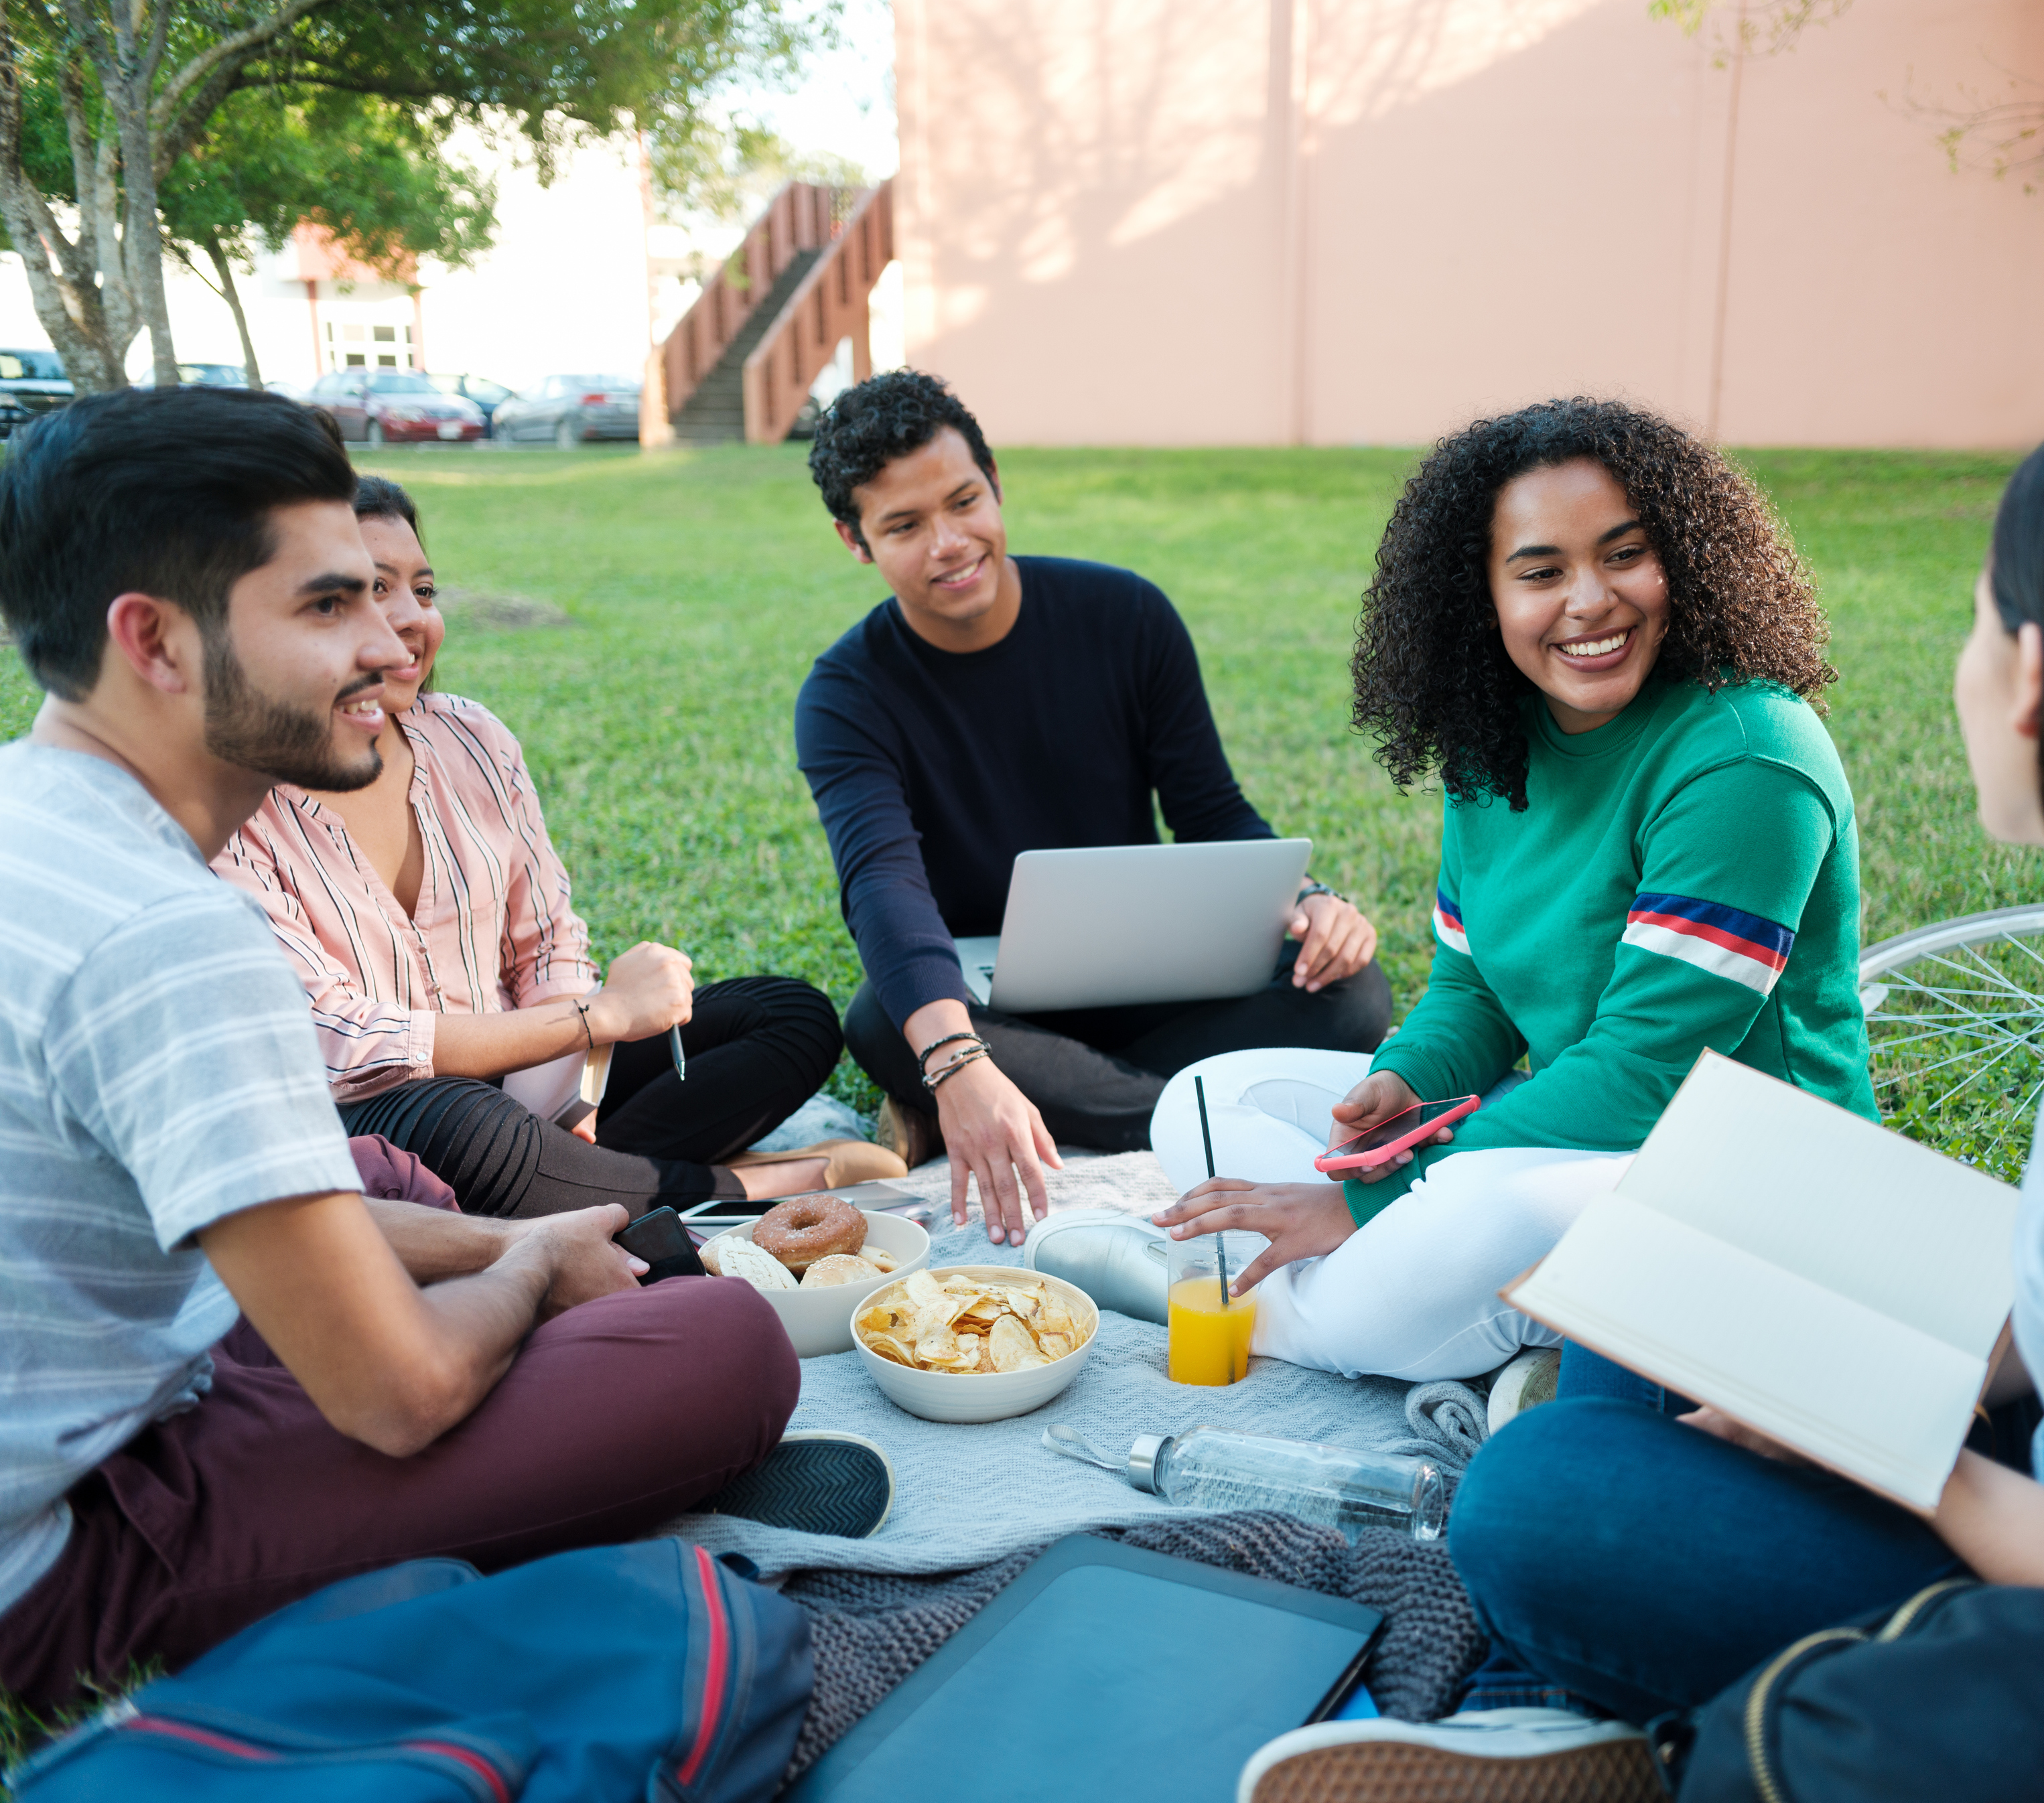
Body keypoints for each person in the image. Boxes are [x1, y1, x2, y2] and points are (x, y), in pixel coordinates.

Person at [1248, 381, 2044, 1803]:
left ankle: (1601, 1736)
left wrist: (1881, 1428)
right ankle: (1587, 1715)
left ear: (2040, 680)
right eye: (1538, 568)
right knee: (1658, 1306)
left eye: (1978, 614)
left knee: (1537, 1496)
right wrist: (1850, 1358)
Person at [0, 390, 886, 1713]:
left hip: (167, 1344)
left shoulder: (36, 809)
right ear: (156, 642)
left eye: (391, 593)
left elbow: (217, 1215)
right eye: (325, 607)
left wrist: (492, 1245)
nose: (386, 643)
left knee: (394, 1178)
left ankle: (586, 1264)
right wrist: (528, 1259)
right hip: (79, 1547)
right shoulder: (177, 936)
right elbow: (398, 1397)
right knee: (727, 1341)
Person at [1158, 398, 1874, 1381]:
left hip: (1745, 1182)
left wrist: (1367, 1200)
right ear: (1480, 596)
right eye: (1541, 572)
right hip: (1588, 1132)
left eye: (1625, 555)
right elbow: (1476, 987)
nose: (1591, 602)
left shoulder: (1749, 758)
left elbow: (1643, 1071)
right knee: (1205, 1096)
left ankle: (1233, 1298)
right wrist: (1404, 1081)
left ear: (1689, 558)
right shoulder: (1496, 742)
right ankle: (1454, 1308)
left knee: (1472, 1212)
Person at [798, 370, 1391, 1242]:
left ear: (996, 481)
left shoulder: (1126, 615)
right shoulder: (845, 694)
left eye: (965, 501)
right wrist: (960, 1058)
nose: (950, 542)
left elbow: (1211, 810)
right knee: (886, 1018)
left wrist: (1310, 904)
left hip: (1154, 973)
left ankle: (1075, 1103)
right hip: (995, 1003)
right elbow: (883, 884)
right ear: (856, 542)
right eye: (905, 526)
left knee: (1352, 994)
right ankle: (1185, 1111)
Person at [212, 475, 848, 1220]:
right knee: (466, 1126)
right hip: (378, 1118)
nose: (408, 621)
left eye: (421, 590)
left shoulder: (469, 738)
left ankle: (581, 1182)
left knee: (787, 1014)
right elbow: (343, 1043)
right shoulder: (227, 804)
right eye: (366, 591)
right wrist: (595, 1020)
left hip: (519, 1085)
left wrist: (570, 1085)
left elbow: (544, 945)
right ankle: (757, 1190)